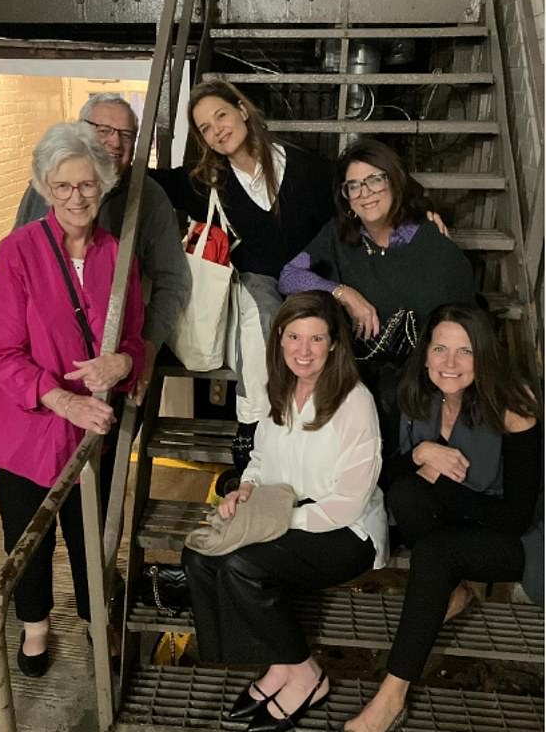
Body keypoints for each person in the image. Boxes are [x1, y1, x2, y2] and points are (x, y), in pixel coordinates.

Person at [0, 122, 145, 678]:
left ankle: (98, 620)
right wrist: (62, 401)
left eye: (88, 185)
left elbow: (135, 339)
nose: (77, 198)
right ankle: (35, 625)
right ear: (45, 189)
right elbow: (0, 352)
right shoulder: (18, 251)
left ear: (104, 181)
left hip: (89, 429)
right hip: (25, 428)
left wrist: (122, 362)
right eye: (63, 187)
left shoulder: (117, 255)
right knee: (27, 537)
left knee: (90, 538)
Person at [182, 291, 388, 732]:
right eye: (294, 336)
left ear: (334, 344)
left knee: (242, 564)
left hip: (345, 530)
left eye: (316, 339)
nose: (304, 350)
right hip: (283, 511)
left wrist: (271, 522)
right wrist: (246, 491)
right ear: (279, 339)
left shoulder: (355, 402)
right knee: (198, 556)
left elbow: (348, 503)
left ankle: (307, 672)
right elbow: (260, 458)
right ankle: (278, 662)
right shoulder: (279, 390)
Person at [343, 303, 542, 732]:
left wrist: (441, 484)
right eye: (440, 349)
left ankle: (390, 698)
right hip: (460, 522)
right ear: (426, 353)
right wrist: (421, 453)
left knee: (433, 549)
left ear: (484, 354)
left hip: (517, 536)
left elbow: (516, 517)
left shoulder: (514, 403)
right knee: (407, 494)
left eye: (465, 351)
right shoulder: (418, 392)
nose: (450, 364)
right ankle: (448, 591)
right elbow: (390, 474)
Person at [153, 80, 337, 485]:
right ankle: (253, 427)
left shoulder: (304, 165)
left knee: (300, 325)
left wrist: (422, 212)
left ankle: (298, 433)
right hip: (257, 286)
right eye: (204, 127)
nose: (217, 129)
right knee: (260, 315)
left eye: (220, 115)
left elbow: (357, 187)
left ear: (241, 109)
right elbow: (152, 183)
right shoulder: (208, 181)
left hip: (310, 280)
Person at [278, 138, 475, 457]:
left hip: (421, 380)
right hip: (357, 376)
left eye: (374, 180)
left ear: (394, 180)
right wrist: (343, 293)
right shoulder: (339, 236)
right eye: (353, 186)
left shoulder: (431, 244)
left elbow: (464, 324)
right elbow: (289, 276)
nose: (365, 193)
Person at [14, 92, 191, 406]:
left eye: (126, 135)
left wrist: (145, 351)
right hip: (45, 368)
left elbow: (173, 280)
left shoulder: (149, 200)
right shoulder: (41, 189)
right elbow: (17, 277)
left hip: (112, 371)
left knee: (105, 451)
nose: (115, 142)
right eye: (104, 130)